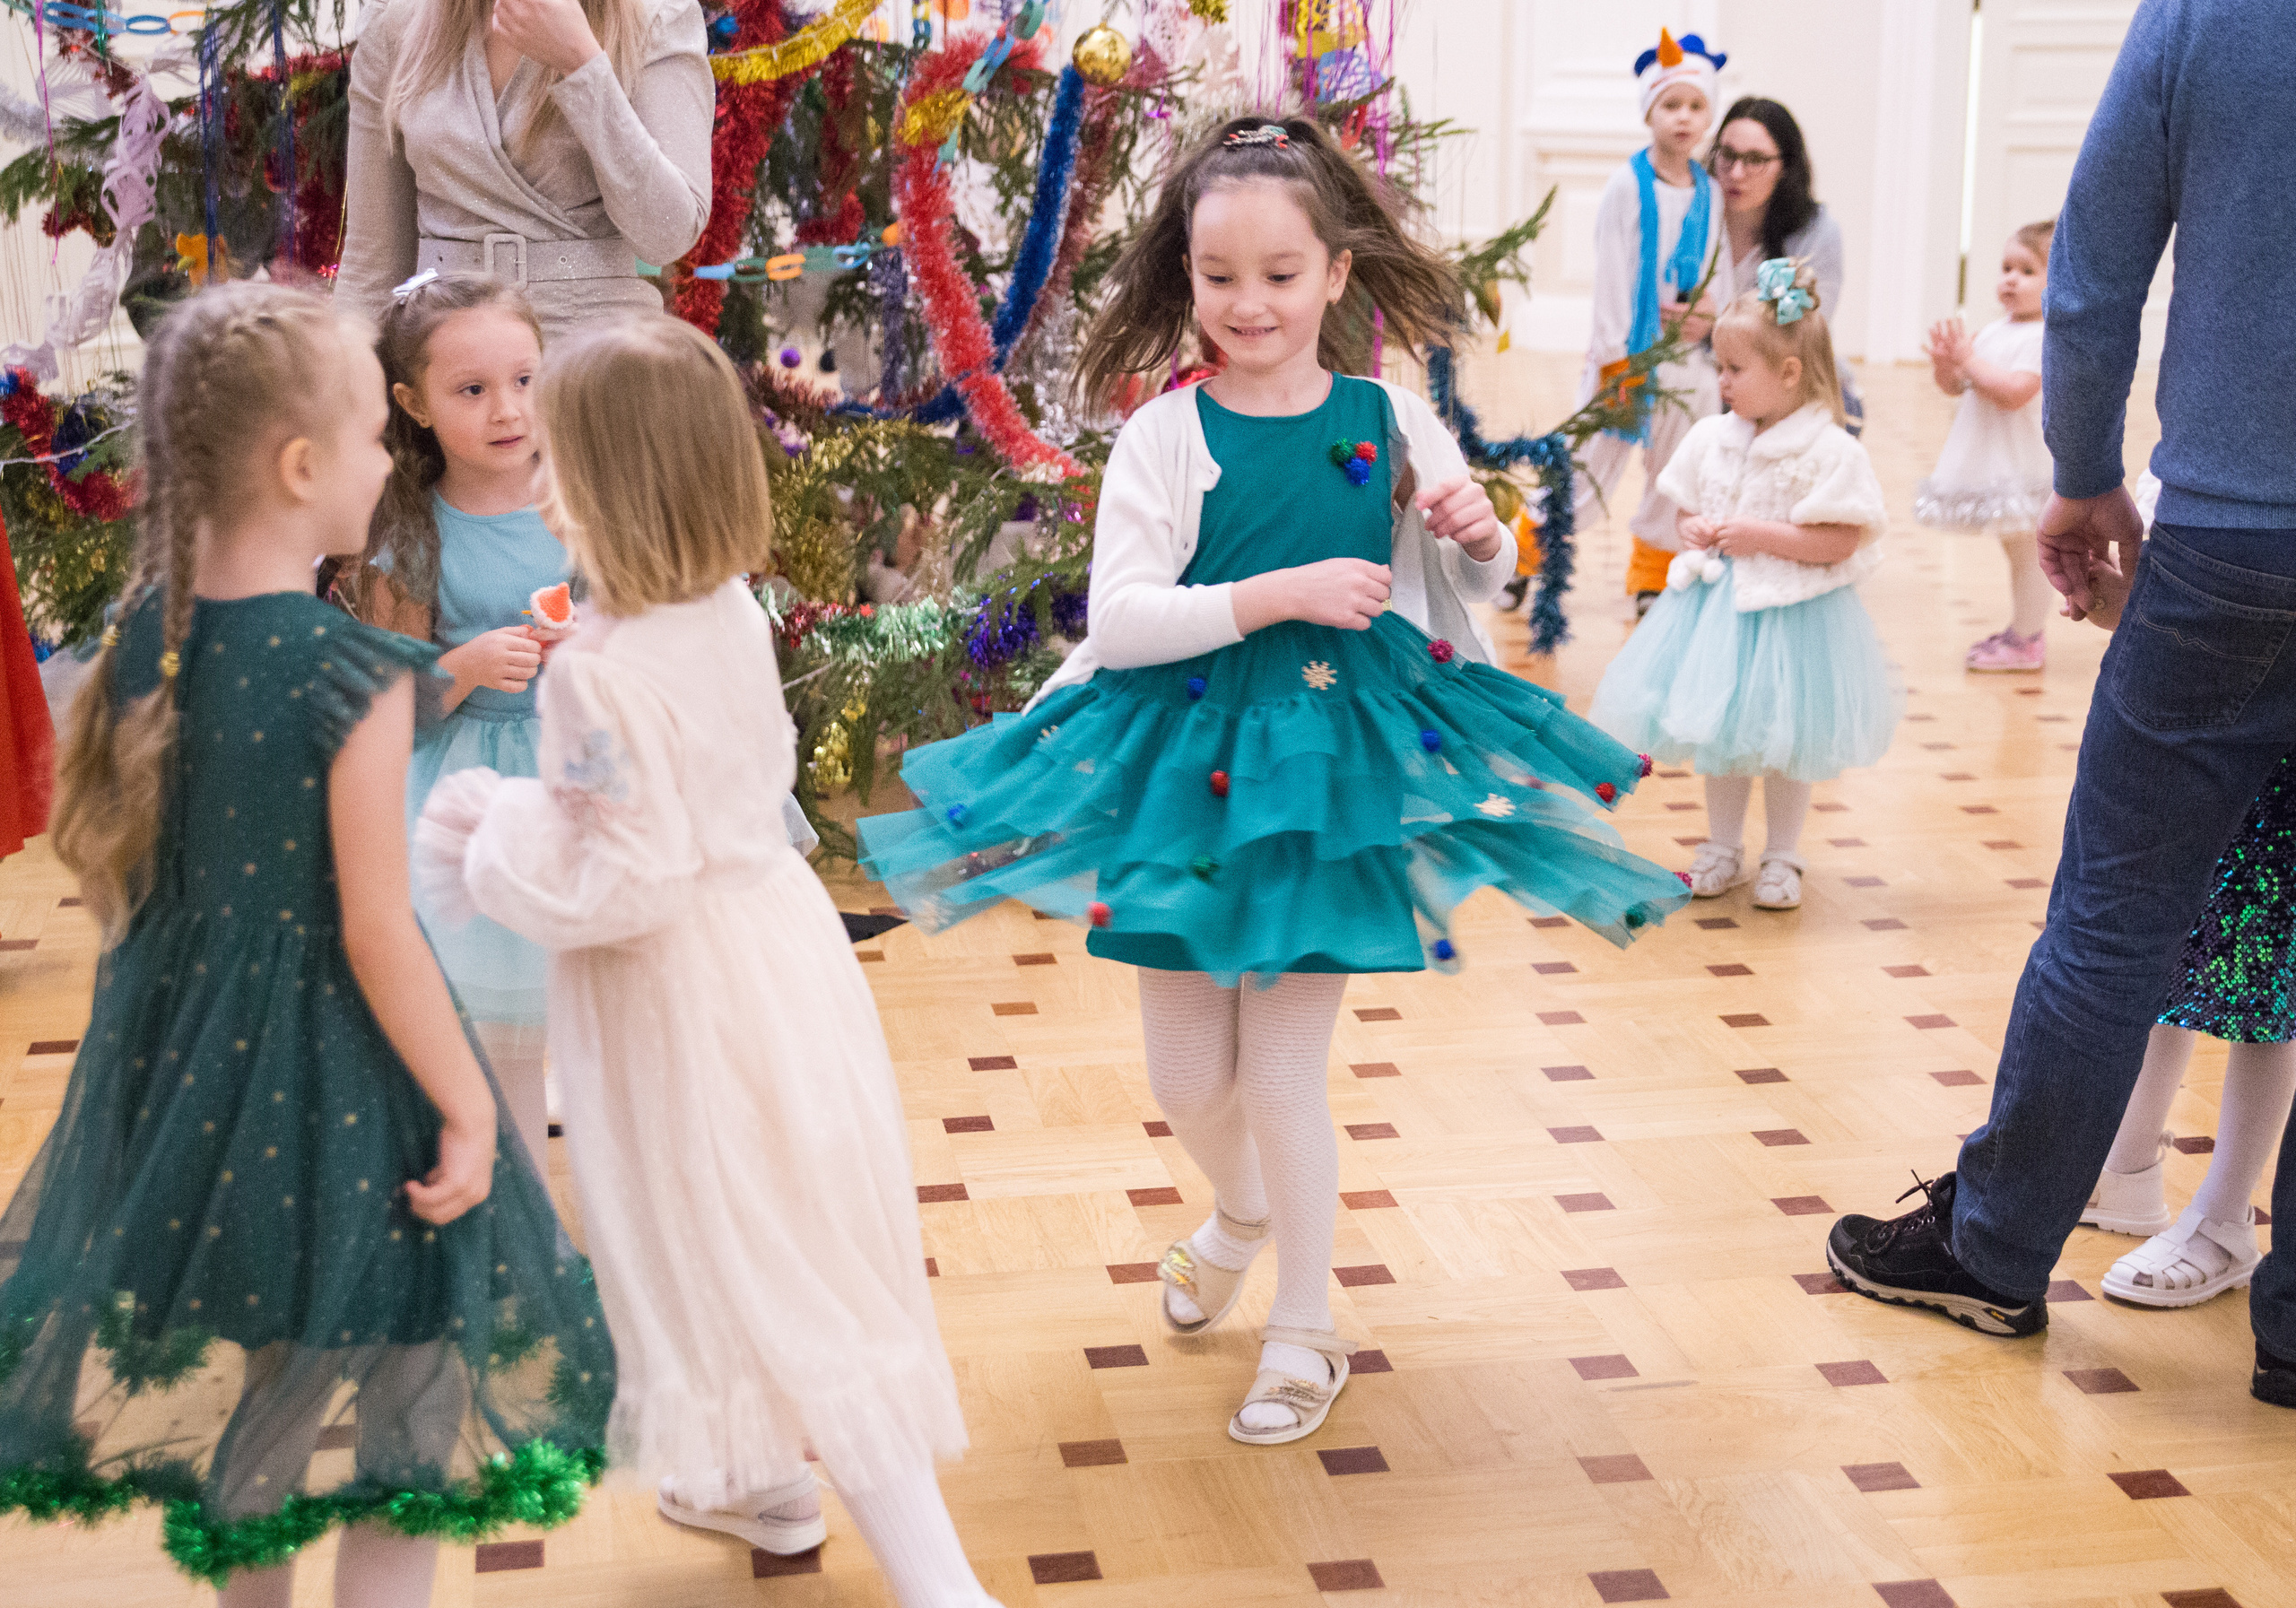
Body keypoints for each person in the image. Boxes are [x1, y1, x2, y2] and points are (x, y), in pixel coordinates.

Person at [857, 116, 1689, 1447]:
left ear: (1338, 274)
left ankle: (1308, 1323)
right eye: (1221, 275)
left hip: (1333, 768)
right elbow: (1121, 619)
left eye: (1281, 275)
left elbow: (1462, 592)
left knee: (1286, 1073)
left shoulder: (1392, 419)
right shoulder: (1165, 436)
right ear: (1187, 276)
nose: (1250, 303)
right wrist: (1271, 596)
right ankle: (1237, 1213)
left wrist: (1478, 535)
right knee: (1190, 1076)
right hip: (1180, 765)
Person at [0, 282, 611, 1602]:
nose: (390, 461)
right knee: (410, 1390)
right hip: (349, 1083)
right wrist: (470, 1108)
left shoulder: (148, 648)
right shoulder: (353, 670)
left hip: (199, 1091)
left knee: (275, 1383)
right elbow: (379, 929)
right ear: (299, 466)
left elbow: (141, 898)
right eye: (373, 438)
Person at [412, 317, 998, 1607]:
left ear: (605, 483)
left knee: (749, 1256)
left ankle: (941, 1583)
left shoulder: (596, 677)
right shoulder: (721, 610)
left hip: (674, 997)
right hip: (777, 954)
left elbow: (621, 882)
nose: (541, 480)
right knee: (774, 1233)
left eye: (559, 458)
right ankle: (765, 1490)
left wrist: (495, 838)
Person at [1824, 0, 2296, 1411]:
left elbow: (2092, 267)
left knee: (2113, 915)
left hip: (2227, 540)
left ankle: (1994, 1245)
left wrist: (2085, 469)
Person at [338, 271, 562, 1169]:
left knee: (597, 1005)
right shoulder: (411, 534)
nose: (506, 409)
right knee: (500, 1030)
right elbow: (392, 710)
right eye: (472, 390)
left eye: (524, 380)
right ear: (413, 403)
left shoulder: (578, 504)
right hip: (469, 798)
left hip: (579, 774)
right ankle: (519, 1236)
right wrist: (460, 669)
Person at [1589, 261, 1895, 912]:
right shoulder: (1710, 438)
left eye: (1734, 370)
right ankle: (1722, 846)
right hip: (1717, 616)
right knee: (1720, 737)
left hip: (1795, 617)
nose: (1720, 382)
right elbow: (1681, 509)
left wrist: (1763, 535)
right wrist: (1696, 526)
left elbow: (1841, 540)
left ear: (1788, 373)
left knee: (1789, 741)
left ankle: (1783, 853)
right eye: (1719, 367)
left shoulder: (1830, 450)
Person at [2072, 478, 2292, 1307]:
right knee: (2172, 940)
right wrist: (2126, 605)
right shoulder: (2222, 455)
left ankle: (2226, 1214)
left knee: (2268, 982)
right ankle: (2126, 1165)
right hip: (2211, 732)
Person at [337, 0, 711, 342]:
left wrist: (581, 63)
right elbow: (372, 270)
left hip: (593, 371)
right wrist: (349, 397)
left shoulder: (657, 14)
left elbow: (666, 235)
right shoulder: (396, 22)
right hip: (447, 365)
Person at [1578, 28, 1730, 615]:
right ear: (1650, 112)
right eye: (1672, 105)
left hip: (1685, 355)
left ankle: (1651, 571)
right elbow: (1613, 278)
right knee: (1591, 459)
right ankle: (1528, 550)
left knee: (1677, 462)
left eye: (1696, 106)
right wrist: (1616, 357)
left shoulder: (1711, 191)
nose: (1684, 118)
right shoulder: (1626, 186)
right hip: (1628, 352)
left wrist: (1708, 318)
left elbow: (1715, 269)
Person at [1916, 222, 2056, 674]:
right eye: (2006, 268)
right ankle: (2023, 629)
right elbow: (1958, 386)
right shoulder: (1996, 330)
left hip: (2024, 463)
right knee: (2017, 549)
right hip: (1996, 462)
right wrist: (1946, 365)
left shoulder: (2044, 338)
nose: (2010, 278)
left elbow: (2014, 391)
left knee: (2031, 553)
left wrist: (1968, 360)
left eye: (2028, 270)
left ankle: (2028, 639)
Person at [1707, 96, 1862, 432]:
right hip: (1705, 373)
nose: (1735, 173)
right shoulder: (1695, 215)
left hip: (1784, 378)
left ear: (1786, 167)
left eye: (1756, 160)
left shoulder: (1817, 231)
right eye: (1728, 155)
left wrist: (1713, 323)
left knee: (1839, 414)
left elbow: (1802, 333)